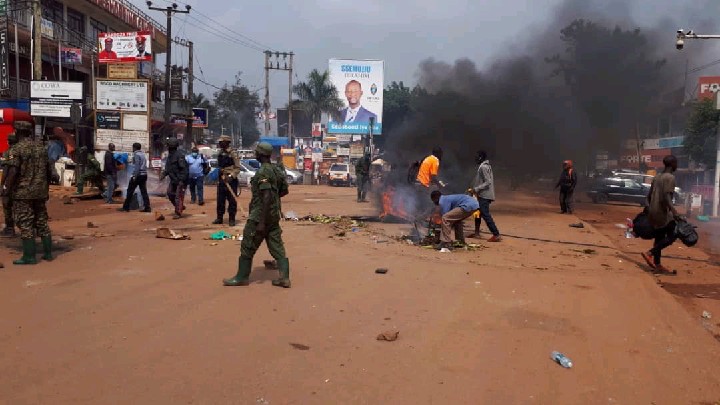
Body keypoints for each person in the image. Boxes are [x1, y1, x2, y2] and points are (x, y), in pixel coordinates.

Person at [223, 142, 291, 288]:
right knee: (277, 246)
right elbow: (284, 191)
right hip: (273, 215)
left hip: (260, 215)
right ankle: (284, 278)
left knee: (248, 245)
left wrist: (261, 222)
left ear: (260, 154)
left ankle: (241, 277)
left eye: (256, 152)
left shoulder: (263, 172)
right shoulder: (276, 170)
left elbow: (266, 195)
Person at [1, 121, 55, 264]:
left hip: (22, 193)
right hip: (40, 192)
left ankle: (29, 257)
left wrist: (5, 189)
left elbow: (12, 171)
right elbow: (49, 172)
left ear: (18, 132)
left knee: (25, 223)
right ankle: (48, 253)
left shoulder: (16, 150)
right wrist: (46, 189)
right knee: (42, 221)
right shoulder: (41, 148)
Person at [641, 155, 681, 274]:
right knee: (673, 234)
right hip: (662, 213)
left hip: (653, 211)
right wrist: (674, 211)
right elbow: (667, 197)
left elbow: (648, 196)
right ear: (672, 164)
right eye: (676, 163)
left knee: (659, 237)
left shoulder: (657, 177)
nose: (677, 166)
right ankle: (650, 253)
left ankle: (657, 265)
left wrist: (649, 208)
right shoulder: (670, 178)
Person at [470, 150, 501, 242]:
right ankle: (476, 233)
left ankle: (496, 234)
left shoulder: (483, 167)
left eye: (476, 156)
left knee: (485, 214)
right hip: (481, 194)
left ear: (480, 157)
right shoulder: (484, 166)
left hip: (485, 195)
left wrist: (476, 189)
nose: (475, 158)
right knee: (477, 213)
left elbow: (488, 182)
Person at [213, 135, 240, 226]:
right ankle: (219, 217)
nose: (220, 143)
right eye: (219, 142)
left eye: (222, 142)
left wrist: (231, 176)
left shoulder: (233, 153)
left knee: (232, 200)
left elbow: (237, 168)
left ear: (227, 142)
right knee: (220, 199)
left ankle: (232, 219)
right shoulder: (220, 153)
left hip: (231, 180)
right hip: (221, 179)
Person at [160, 138, 188, 219]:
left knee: (178, 196)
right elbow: (168, 168)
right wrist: (164, 174)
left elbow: (184, 169)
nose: (167, 147)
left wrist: (182, 180)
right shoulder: (170, 156)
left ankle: (178, 212)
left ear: (171, 147)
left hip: (180, 180)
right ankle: (179, 206)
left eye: (168, 146)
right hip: (173, 179)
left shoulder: (179, 155)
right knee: (169, 193)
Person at [120, 143, 151, 213]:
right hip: (144, 175)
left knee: (130, 191)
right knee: (144, 192)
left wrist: (134, 176)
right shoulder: (143, 154)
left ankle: (126, 207)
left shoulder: (136, 154)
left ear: (134, 148)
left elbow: (137, 166)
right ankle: (147, 207)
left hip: (138, 175)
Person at [1, 133, 18, 237]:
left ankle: (9, 228)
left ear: (8, 141)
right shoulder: (21, 151)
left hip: (10, 183)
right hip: (23, 184)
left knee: (7, 205)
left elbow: (7, 170)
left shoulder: (8, 152)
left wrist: (3, 184)